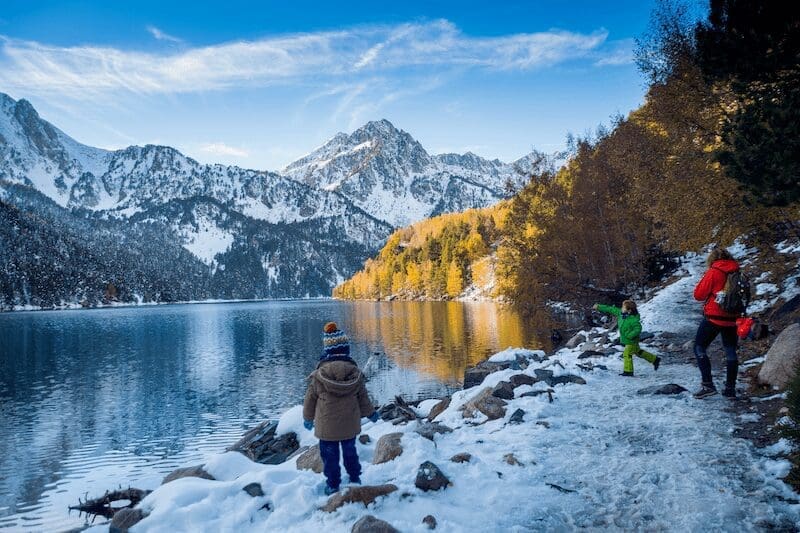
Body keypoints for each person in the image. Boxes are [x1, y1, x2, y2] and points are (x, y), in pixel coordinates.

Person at [302, 322, 379, 495]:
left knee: (329, 457)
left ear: (327, 352)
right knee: (350, 452)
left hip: (326, 428)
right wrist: (371, 413)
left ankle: (333, 484)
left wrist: (308, 418)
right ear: (346, 351)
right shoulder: (355, 374)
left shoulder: (319, 376)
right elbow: (363, 399)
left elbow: (309, 401)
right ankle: (354, 477)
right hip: (349, 426)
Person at [692, 248, 741, 399]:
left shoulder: (714, 272)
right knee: (730, 351)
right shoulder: (737, 271)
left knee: (699, 347)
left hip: (714, 316)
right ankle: (730, 389)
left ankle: (708, 385)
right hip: (733, 318)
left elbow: (698, 295)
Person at [594, 300, 661, 377]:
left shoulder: (633, 320)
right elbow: (611, 309)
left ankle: (628, 371)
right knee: (638, 352)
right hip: (628, 339)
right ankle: (655, 359)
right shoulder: (621, 314)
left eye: (623, 307)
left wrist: (630, 335)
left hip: (631, 340)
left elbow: (638, 329)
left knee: (627, 354)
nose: (622, 308)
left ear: (629, 310)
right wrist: (599, 307)